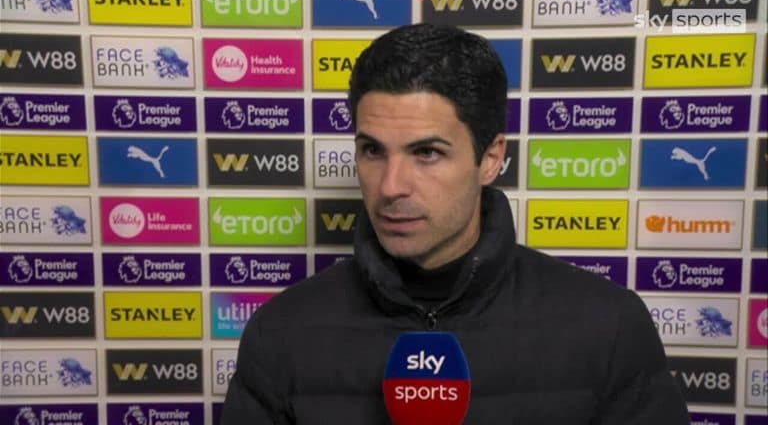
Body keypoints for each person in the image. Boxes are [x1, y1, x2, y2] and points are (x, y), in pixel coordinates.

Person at [221, 23, 690, 424]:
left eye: (426, 152)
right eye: (372, 150)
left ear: (491, 158)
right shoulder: (280, 334)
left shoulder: (608, 328)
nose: (391, 186)